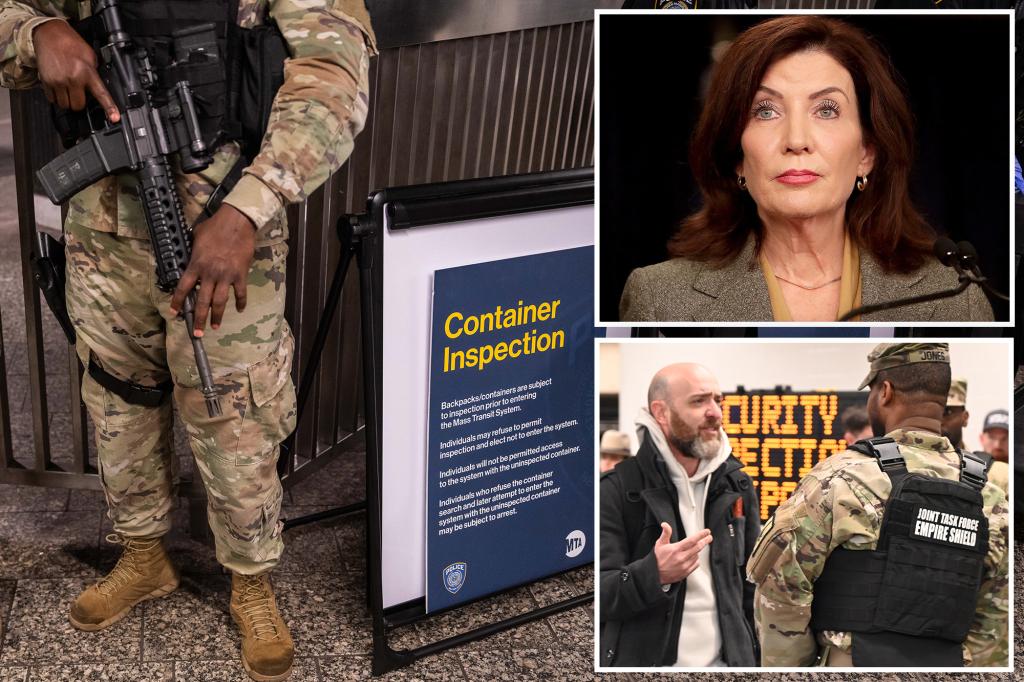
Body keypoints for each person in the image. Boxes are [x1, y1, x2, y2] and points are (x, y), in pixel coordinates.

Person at [0, 2, 374, 680]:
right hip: (104, 227)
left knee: (238, 413)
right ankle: (145, 555)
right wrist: (33, 34)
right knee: (119, 398)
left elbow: (333, 77)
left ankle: (251, 582)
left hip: (228, 235)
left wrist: (248, 208)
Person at [619, 16, 993, 322]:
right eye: (765, 111)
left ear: (867, 152)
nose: (796, 140)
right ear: (737, 156)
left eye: (826, 110)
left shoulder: (953, 299)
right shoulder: (659, 299)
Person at [748, 343, 1008, 667]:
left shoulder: (841, 477)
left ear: (884, 392)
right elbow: (996, 615)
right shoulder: (992, 496)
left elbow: (779, 581)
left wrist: (792, 668)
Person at [599, 363, 760, 667]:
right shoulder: (615, 491)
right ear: (661, 412)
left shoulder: (737, 483)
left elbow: (751, 587)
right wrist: (654, 574)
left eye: (717, 400)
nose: (715, 412)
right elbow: (599, 596)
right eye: (699, 401)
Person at [979, 409, 1009, 495]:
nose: (997, 444)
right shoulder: (967, 469)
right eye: (992, 437)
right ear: (982, 439)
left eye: (1004, 438)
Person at [941, 377, 970, 450]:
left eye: (947, 412)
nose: (939, 421)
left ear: (965, 418)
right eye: (934, 412)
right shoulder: (913, 460)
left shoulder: (978, 461)